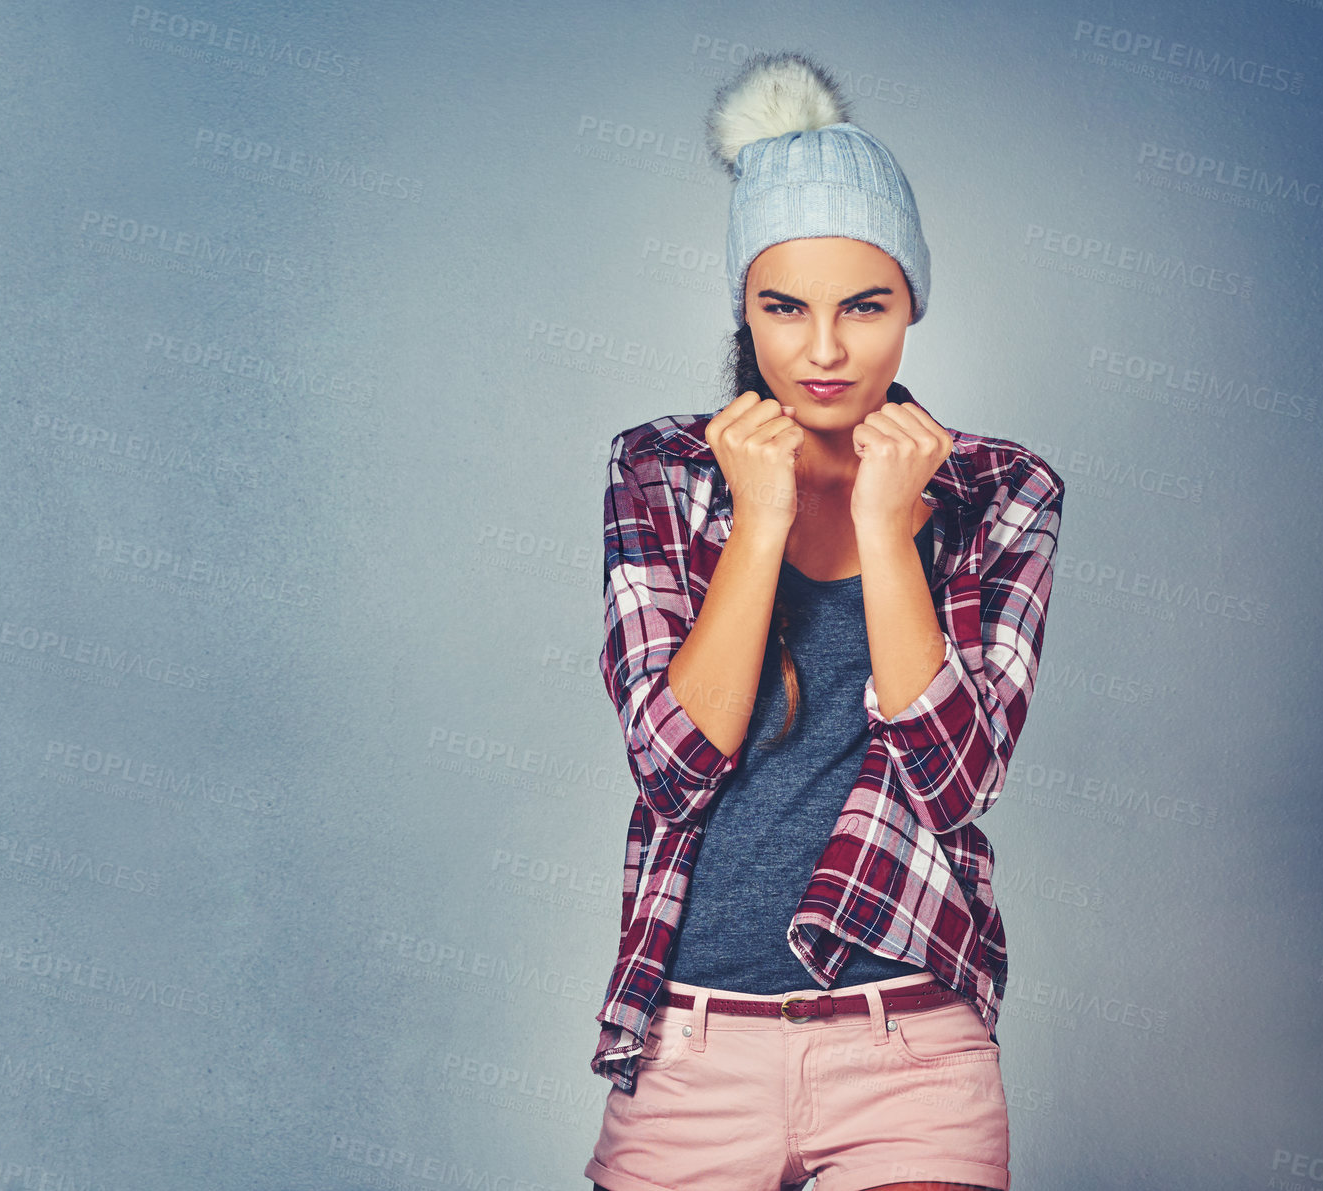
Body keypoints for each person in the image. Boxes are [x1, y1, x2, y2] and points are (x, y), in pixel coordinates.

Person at [583, 52, 1065, 1191]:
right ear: (744, 308)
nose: (826, 349)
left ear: (912, 308)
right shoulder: (660, 471)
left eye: (866, 306)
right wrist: (758, 523)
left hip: (909, 1049)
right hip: (691, 1044)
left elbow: (956, 781)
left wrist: (889, 531)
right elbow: (671, 763)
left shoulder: (1001, 490)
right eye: (783, 308)